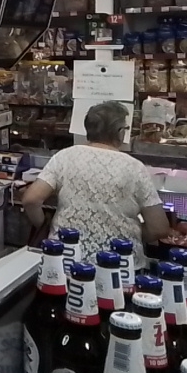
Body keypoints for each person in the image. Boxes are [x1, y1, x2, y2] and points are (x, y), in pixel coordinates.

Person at [21, 100, 171, 262]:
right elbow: (159, 228)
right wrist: (130, 234)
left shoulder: (64, 157)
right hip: (119, 263)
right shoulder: (134, 167)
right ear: (120, 132)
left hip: (66, 258)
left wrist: (45, 226)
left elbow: (31, 199)